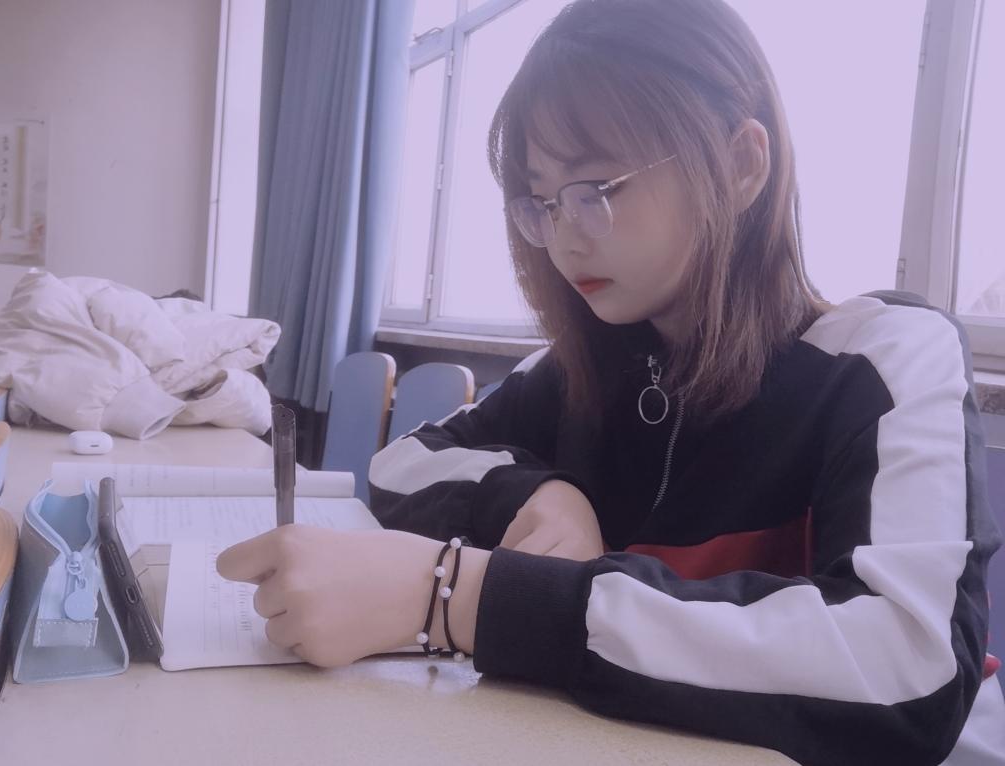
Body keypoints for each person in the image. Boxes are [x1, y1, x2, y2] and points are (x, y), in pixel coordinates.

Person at [216, 1, 1004, 763]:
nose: (563, 238)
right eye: (542, 202)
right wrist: (534, 493)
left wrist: (460, 599)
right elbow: (402, 464)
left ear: (740, 164)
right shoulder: (584, 368)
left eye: (596, 189)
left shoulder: (885, 361)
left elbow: (909, 666)